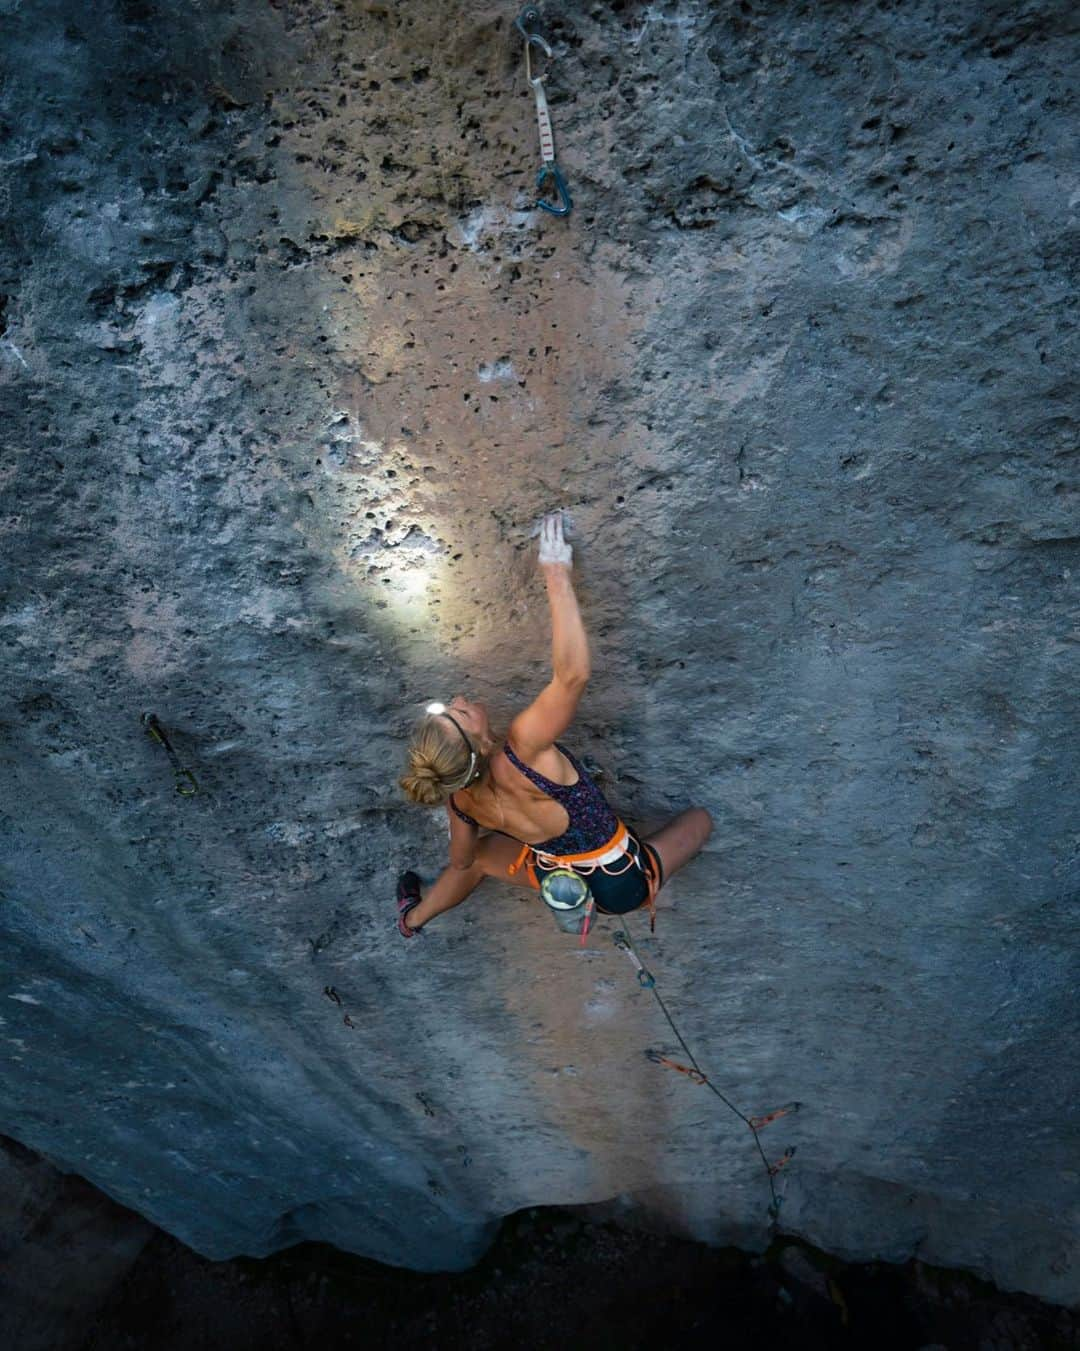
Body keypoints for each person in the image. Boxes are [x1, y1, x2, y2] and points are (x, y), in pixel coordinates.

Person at [396, 510, 712, 936]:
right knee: (700, 821)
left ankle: (412, 919)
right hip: (621, 885)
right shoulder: (524, 748)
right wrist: (556, 574)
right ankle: (631, 863)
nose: (460, 699)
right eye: (462, 713)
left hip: (555, 879)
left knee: (486, 855)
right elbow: (572, 676)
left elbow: (462, 861)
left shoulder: (460, 803)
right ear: (483, 743)